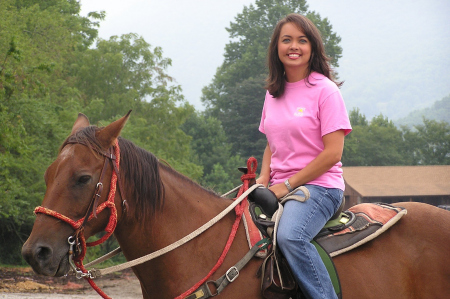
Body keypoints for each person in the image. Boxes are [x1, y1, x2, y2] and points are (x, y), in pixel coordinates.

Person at [256, 13, 352, 299]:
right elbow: (271, 144)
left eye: (302, 40)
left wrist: (287, 185)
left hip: (320, 187)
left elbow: (333, 152)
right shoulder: (273, 93)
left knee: (290, 236)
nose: (293, 46)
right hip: (277, 186)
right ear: (277, 48)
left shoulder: (325, 90)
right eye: (286, 40)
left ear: (313, 48)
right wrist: (261, 180)